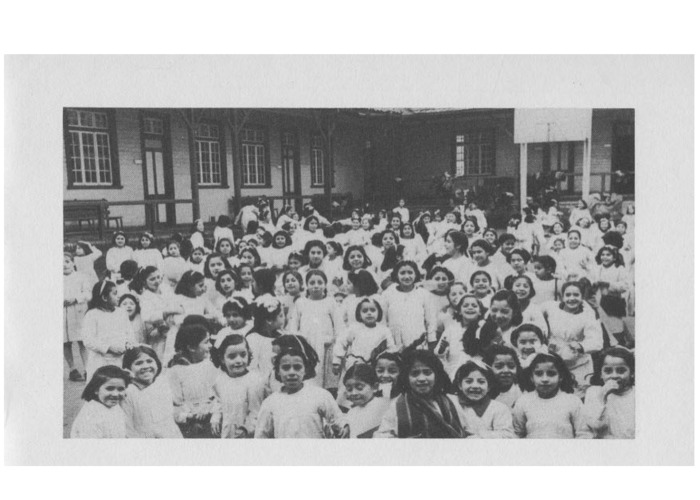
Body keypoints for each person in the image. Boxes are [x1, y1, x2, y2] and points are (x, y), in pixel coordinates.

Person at [255, 342, 348, 438]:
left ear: (305, 369)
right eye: (286, 368)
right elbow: (261, 436)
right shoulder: (270, 403)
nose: (291, 372)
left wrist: (344, 427)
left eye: (297, 367)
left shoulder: (319, 395)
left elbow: (339, 419)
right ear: (278, 371)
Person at [374, 350, 465, 438]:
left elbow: (469, 433)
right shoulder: (397, 405)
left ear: (437, 375)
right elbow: (382, 437)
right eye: (415, 373)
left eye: (427, 372)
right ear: (407, 377)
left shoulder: (452, 401)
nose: (421, 378)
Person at [541, 281, 604, 396]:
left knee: (577, 394)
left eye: (576, 295)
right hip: (554, 359)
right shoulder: (550, 308)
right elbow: (536, 318)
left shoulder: (588, 315)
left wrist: (581, 346)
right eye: (568, 295)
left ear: (582, 296)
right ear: (562, 296)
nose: (572, 298)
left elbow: (597, 341)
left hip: (578, 363)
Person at [513, 353, 592, 438]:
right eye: (539, 374)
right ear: (531, 377)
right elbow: (517, 435)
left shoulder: (573, 401)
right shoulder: (523, 402)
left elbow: (584, 434)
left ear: (560, 377)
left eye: (551, 374)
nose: (545, 379)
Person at [288, 270, 340, 389]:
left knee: (325, 377)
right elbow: (293, 326)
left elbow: (339, 326)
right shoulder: (301, 303)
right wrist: (299, 343)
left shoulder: (330, 302)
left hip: (326, 346)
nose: (316, 286)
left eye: (319, 282)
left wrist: (333, 341)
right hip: (306, 346)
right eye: (312, 283)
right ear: (306, 285)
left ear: (325, 284)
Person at [209, 334, 266, 438]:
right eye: (232, 357)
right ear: (222, 359)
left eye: (243, 355)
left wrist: (246, 428)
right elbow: (218, 401)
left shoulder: (254, 380)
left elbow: (256, 411)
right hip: (227, 431)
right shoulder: (221, 379)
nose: (238, 361)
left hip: (245, 434)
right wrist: (216, 418)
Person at [167, 323, 219, 438]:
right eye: (206, 342)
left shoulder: (209, 365)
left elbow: (218, 395)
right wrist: (191, 416)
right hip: (189, 426)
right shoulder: (175, 371)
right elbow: (176, 404)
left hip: (212, 420)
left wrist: (210, 410)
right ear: (191, 347)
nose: (210, 345)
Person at [121, 345, 182, 438]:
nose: (145, 366)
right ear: (128, 368)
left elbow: (169, 413)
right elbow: (127, 428)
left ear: (157, 363)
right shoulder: (129, 392)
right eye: (139, 363)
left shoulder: (162, 383)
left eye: (149, 361)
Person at [82, 280, 135, 380]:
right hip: (100, 361)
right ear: (104, 297)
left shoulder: (121, 313)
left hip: (120, 360)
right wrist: (109, 348)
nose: (118, 296)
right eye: (115, 294)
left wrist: (128, 344)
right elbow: (88, 339)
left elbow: (129, 332)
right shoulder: (92, 314)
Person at [381, 260, 437, 350]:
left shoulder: (424, 294)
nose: (407, 276)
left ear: (416, 274)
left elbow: (430, 321)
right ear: (396, 275)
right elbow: (382, 321)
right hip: (394, 343)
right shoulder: (387, 294)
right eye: (402, 273)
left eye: (410, 273)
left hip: (418, 343)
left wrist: (431, 341)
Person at [452, 360, 515, 438]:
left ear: (489, 387)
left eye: (481, 382)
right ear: (460, 385)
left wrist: (478, 437)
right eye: (469, 381)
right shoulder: (454, 405)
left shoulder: (499, 408)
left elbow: (507, 435)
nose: (475, 386)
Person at [583, 347, 635, 438]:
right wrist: (603, 396)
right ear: (600, 374)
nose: (614, 376)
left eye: (621, 371)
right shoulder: (594, 392)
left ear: (632, 373)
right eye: (608, 371)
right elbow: (595, 426)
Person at [71, 365, 131, 438]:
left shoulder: (113, 406)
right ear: (96, 389)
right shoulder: (90, 417)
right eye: (109, 388)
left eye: (121, 389)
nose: (115, 394)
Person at [590, 246, 631, 347]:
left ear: (614, 257)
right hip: (599, 301)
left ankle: (619, 347)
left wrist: (608, 284)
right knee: (602, 327)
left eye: (608, 255)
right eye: (602, 255)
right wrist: (594, 284)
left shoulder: (619, 269)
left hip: (614, 302)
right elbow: (592, 280)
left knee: (615, 328)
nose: (605, 257)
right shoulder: (597, 268)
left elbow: (625, 286)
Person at [343, 363, 391, 438]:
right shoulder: (351, 413)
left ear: (375, 387)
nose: (354, 393)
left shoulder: (384, 405)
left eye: (359, 387)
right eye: (349, 389)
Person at [64, 252, 91, 381]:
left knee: (82, 341)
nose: (64, 265)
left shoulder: (81, 277)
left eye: (67, 261)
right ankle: (72, 369)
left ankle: (87, 369)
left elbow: (88, 293)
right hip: (62, 312)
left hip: (78, 312)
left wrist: (76, 298)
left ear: (73, 263)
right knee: (65, 342)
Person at [245, 295, 285, 378]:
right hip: (262, 380)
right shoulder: (253, 338)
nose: (284, 318)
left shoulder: (281, 336)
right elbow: (251, 366)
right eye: (281, 315)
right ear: (269, 320)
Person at [483, 344, 523, 408]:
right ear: (488, 368)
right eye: (499, 366)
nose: (506, 371)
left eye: (511, 366)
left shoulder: (522, 393)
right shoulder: (483, 393)